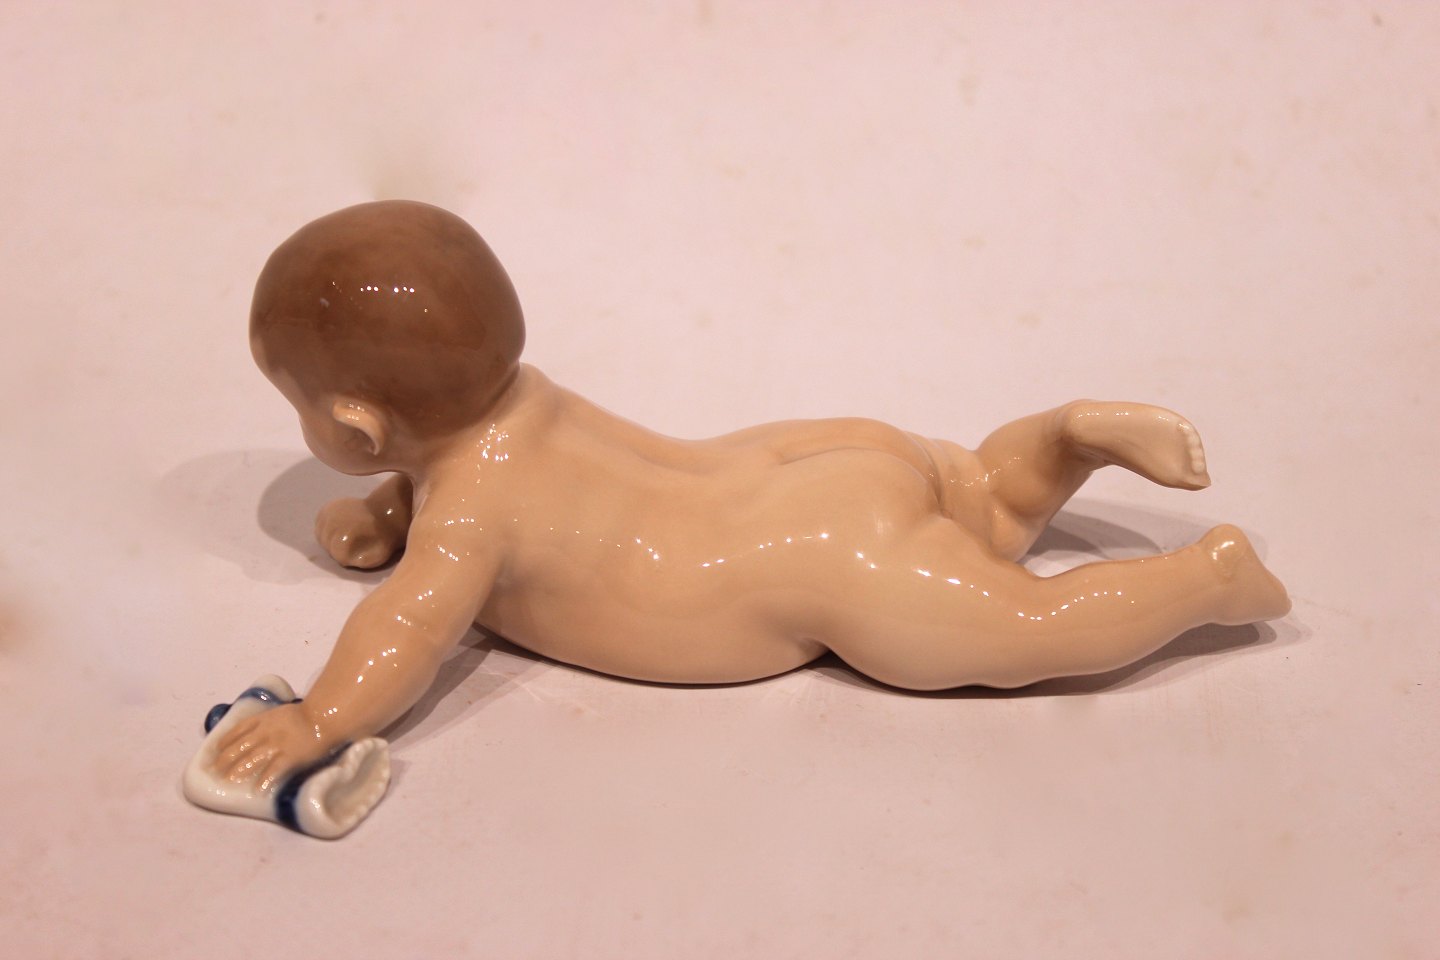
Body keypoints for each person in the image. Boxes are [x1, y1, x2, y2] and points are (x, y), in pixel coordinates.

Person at [215, 200, 1290, 793]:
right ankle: (1061, 438)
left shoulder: (468, 516)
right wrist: (385, 518)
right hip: (799, 463)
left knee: (1018, 629)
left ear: (355, 426)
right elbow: (446, 482)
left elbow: (409, 626)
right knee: (980, 498)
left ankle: (1205, 580)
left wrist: (323, 717)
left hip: (795, 563)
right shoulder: (527, 398)